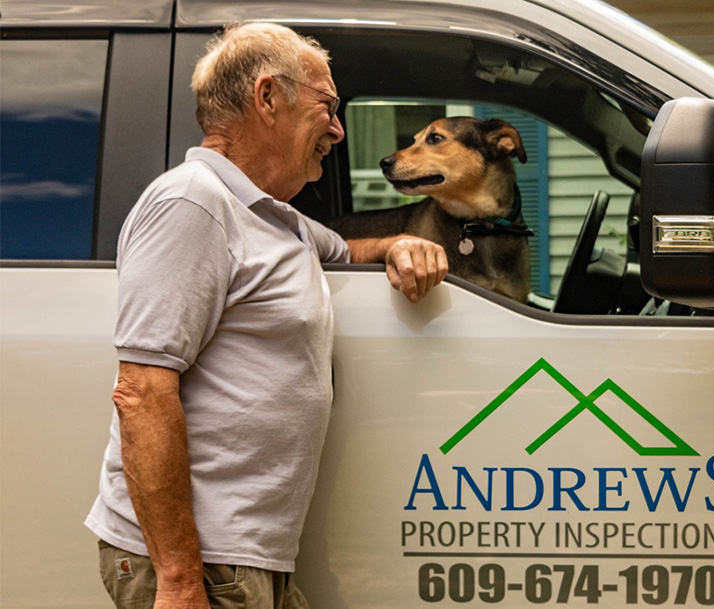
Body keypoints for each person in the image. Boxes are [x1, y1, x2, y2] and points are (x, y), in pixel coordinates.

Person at [84, 22, 448, 609]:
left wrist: (399, 245)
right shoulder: (193, 202)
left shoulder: (275, 218)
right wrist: (178, 581)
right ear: (268, 97)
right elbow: (143, 392)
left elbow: (345, 252)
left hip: (245, 556)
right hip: (203, 563)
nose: (336, 128)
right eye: (327, 106)